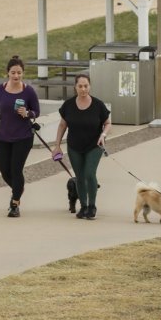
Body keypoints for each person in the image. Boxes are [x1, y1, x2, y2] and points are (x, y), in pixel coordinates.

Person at [0, 55, 40, 218]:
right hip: (4, 137)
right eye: (13, 72)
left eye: (19, 73)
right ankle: (18, 188)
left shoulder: (28, 91)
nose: (16, 76)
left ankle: (15, 203)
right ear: (7, 73)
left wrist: (28, 113)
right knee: (4, 170)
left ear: (23, 73)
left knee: (16, 169)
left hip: (23, 137)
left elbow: (37, 111)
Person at [52, 73, 111, 220]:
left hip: (94, 145)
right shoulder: (68, 105)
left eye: (86, 86)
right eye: (80, 86)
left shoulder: (98, 105)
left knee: (89, 174)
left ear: (89, 86)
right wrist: (57, 146)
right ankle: (83, 206)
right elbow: (62, 125)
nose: (83, 89)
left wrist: (103, 135)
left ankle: (92, 206)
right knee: (79, 176)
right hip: (74, 146)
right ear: (75, 87)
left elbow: (108, 123)